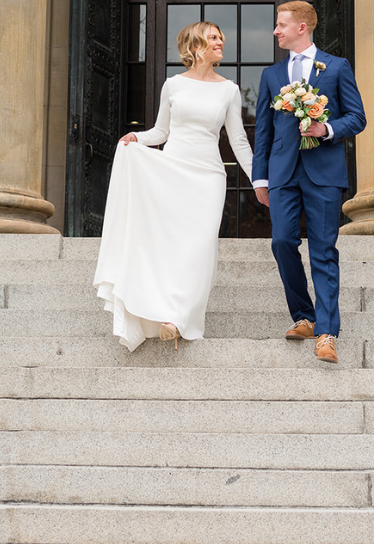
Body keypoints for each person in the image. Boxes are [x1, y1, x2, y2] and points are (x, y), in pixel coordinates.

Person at [94, 22, 255, 352]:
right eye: (214, 38)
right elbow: (160, 132)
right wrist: (137, 138)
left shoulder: (230, 90)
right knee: (171, 246)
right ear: (196, 47)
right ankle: (166, 314)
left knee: (201, 245)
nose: (221, 42)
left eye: (221, 38)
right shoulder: (173, 85)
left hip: (208, 175)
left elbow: (237, 140)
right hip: (173, 171)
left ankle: (182, 317)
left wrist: (260, 180)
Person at [252, 1, 368, 364]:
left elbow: (357, 117)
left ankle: (327, 333)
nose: (276, 31)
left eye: (281, 24)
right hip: (283, 174)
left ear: (302, 27)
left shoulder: (336, 67)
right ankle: (303, 315)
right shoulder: (271, 76)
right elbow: (263, 132)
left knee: (322, 250)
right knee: (283, 241)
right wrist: (260, 178)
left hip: (324, 174)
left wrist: (327, 128)